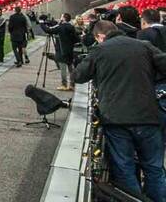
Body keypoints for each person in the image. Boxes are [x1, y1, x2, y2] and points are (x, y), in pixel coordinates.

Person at [74, 20, 166, 202]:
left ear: (100, 36)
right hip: (147, 116)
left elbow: (78, 76)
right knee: (154, 168)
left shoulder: (100, 50)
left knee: (124, 168)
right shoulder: (144, 46)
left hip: (116, 119)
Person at [44, 12, 78, 91]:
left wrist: (42, 23)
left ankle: (64, 84)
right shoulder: (71, 27)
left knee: (63, 68)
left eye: (61, 17)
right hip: (70, 49)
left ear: (64, 18)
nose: (60, 18)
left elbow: (48, 30)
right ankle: (72, 84)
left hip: (62, 50)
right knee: (71, 68)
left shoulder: (61, 27)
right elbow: (76, 38)